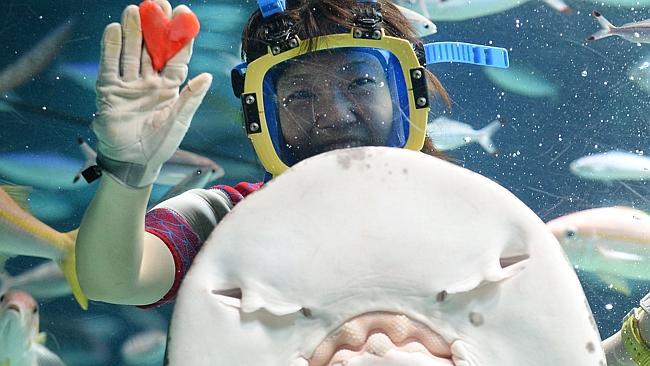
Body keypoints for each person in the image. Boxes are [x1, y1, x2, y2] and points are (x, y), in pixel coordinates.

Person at [75, 0, 650, 364]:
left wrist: (637, 343)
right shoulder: (231, 219)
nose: (335, 114)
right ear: (259, 117)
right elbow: (114, 276)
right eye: (299, 95)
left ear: (413, 92)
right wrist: (130, 171)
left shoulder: (480, 221)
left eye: (360, 82)